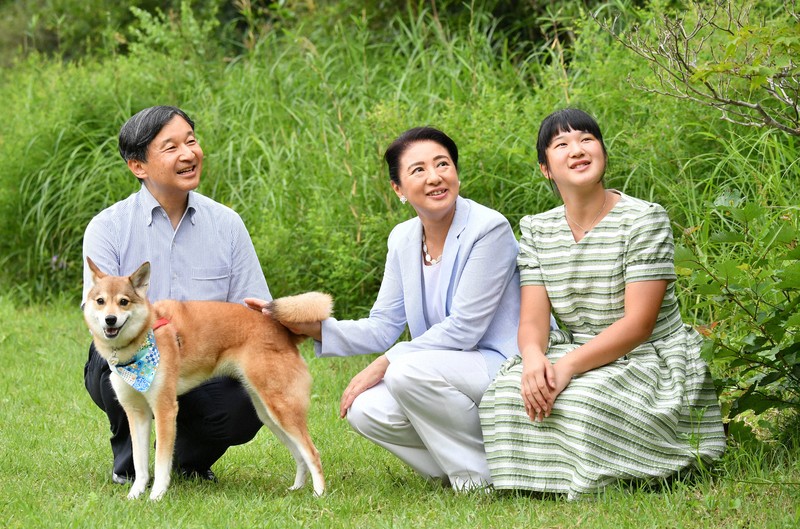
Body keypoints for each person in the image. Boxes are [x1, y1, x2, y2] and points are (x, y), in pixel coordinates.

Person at [247, 126, 546, 491]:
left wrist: (388, 361)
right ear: (399, 189)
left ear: (456, 172)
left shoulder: (489, 229)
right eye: (418, 170)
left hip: (501, 362)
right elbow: (383, 325)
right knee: (365, 411)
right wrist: (312, 328)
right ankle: (467, 467)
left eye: (443, 164)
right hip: (442, 368)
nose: (435, 177)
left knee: (404, 373)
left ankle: (476, 479)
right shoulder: (403, 238)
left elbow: (466, 327)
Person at [479, 108, 727, 499]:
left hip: (648, 356)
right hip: (578, 347)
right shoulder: (537, 229)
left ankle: (640, 467)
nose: (577, 149)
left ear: (603, 154)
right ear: (545, 168)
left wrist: (566, 369)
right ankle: (548, 480)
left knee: (583, 403)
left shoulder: (644, 219)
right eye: (561, 145)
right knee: (505, 394)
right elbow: (532, 321)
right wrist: (533, 360)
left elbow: (639, 325)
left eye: (587, 139)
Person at [82, 105, 271, 484]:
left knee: (243, 405)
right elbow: (99, 311)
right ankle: (131, 466)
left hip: (203, 358)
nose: (188, 154)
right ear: (139, 166)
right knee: (118, 371)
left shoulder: (227, 225)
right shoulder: (108, 227)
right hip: (127, 347)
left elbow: (253, 309)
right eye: (171, 147)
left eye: (192, 141)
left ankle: (186, 461)